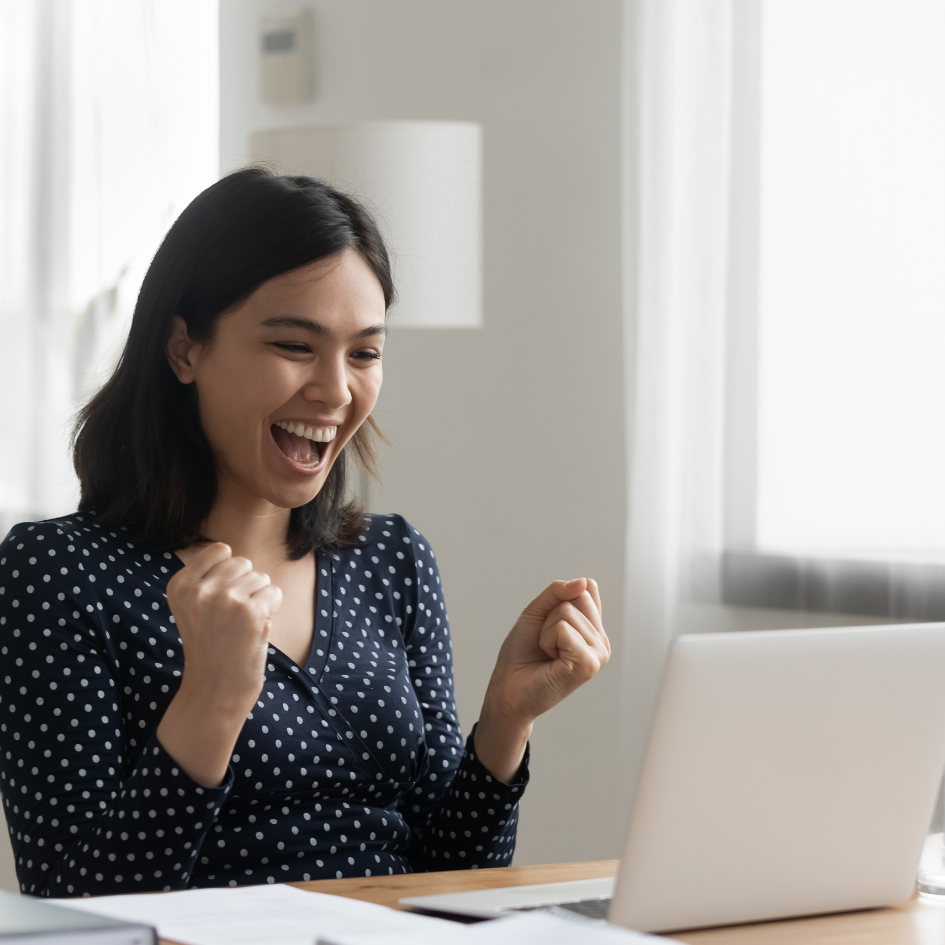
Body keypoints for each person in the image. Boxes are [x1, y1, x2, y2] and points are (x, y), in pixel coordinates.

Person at [0, 168, 610, 897]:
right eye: (294, 345)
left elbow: (453, 876)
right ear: (184, 349)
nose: (335, 389)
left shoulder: (391, 558)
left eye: (364, 352)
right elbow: (72, 907)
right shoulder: (57, 574)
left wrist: (506, 721)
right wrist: (211, 699)